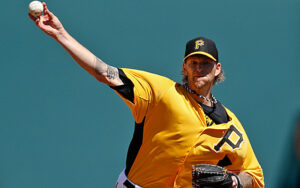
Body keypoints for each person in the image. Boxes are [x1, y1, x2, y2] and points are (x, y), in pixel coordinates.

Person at [29, 3, 264, 188]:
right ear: (184, 67)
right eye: (193, 62)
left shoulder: (230, 125)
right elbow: (104, 72)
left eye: (206, 63)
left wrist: (235, 182)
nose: (199, 68)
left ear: (218, 69)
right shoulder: (161, 92)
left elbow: (252, 175)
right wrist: (60, 34)